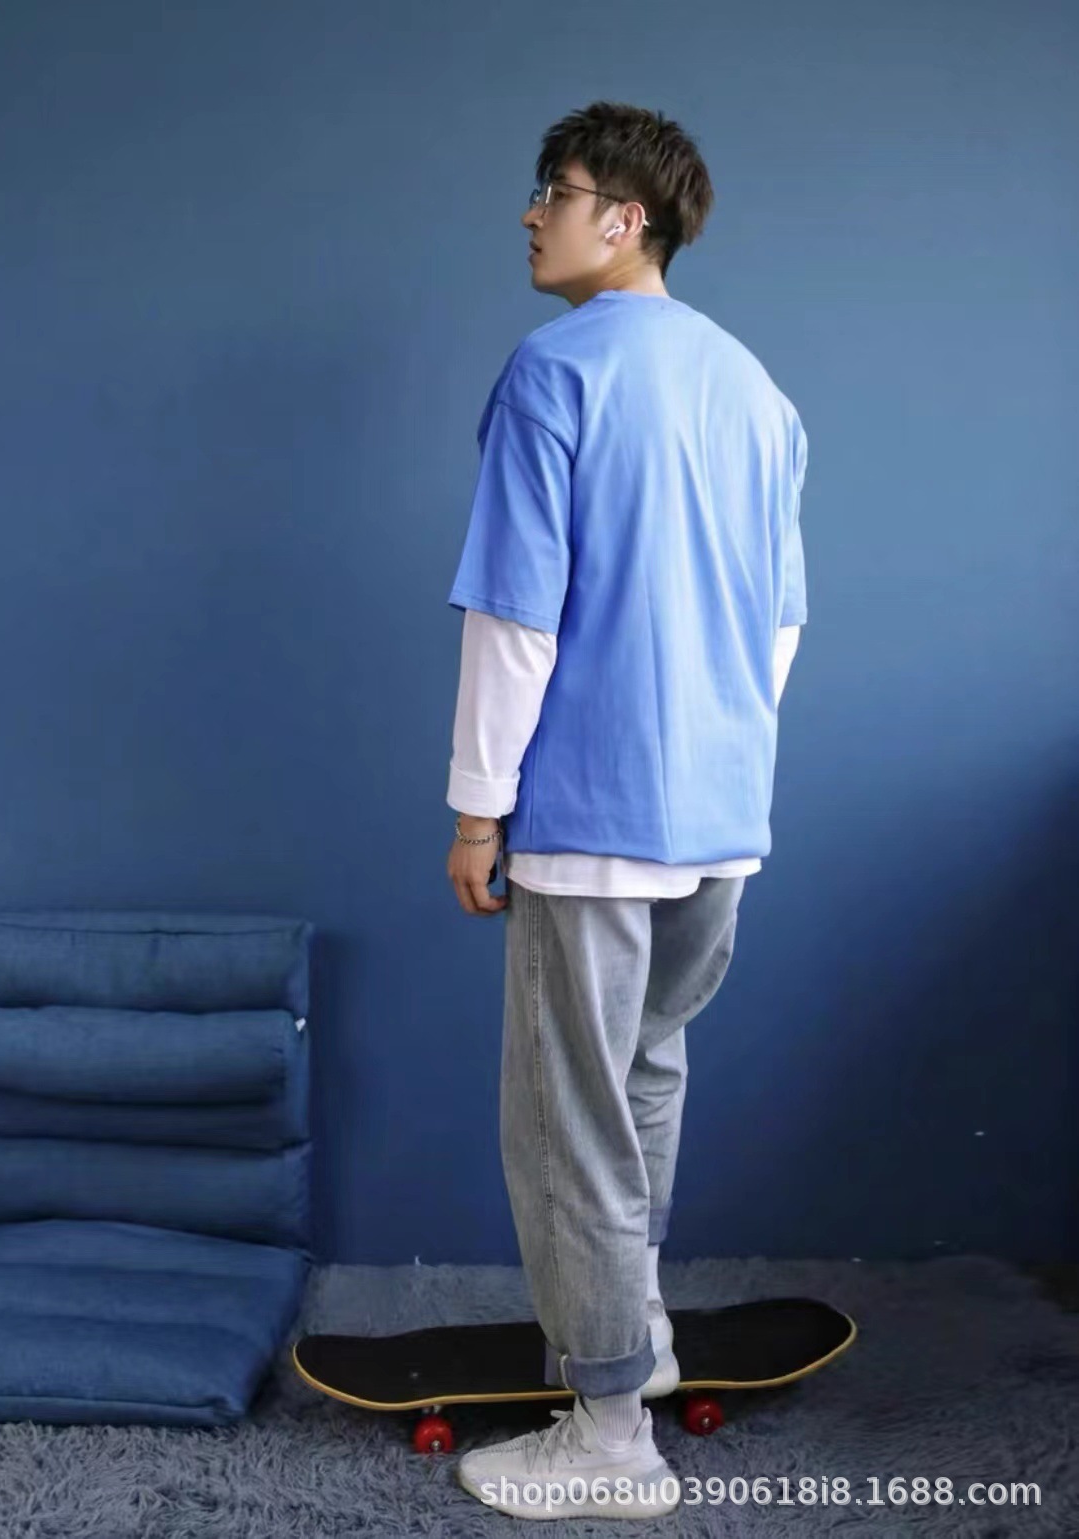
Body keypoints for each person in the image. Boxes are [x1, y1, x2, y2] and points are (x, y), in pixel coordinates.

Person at [444, 99, 808, 1521]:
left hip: (592, 811)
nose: (530, 213)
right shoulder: (757, 389)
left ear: (626, 218)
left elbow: (514, 617)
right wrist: (718, 755)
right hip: (722, 809)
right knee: (646, 1076)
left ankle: (607, 1438)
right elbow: (779, 628)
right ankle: (633, 1340)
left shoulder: (555, 370)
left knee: (567, 1121)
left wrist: (479, 811)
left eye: (556, 188)